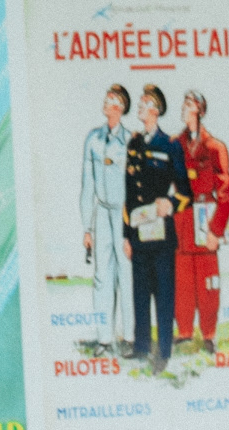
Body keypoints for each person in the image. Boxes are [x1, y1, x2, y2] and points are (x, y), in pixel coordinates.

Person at [122, 85, 190, 370]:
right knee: (139, 294)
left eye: (144, 103)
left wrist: (171, 204)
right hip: (139, 233)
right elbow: (129, 193)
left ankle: (163, 352)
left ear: (156, 110)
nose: (139, 106)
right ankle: (141, 347)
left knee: (163, 296)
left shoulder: (170, 145)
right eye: (139, 103)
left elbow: (186, 192)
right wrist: (126, 235)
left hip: (161, 235)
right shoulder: (134, 144)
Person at [174, 90, 229, 357]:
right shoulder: (174, 145)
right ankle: (184, 332)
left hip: (206, 221)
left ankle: (209, 335)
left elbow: (225, 193)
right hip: (182, 222)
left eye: (188, 104)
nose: (183, 108)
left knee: (208, 283)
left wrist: (216, 231)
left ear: (199, 110)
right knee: (182, 281)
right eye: (184, 103)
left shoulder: (215, 148)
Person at [79, 83, 132, 354]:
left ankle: (131, 337)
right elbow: (87, 185)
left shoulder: (131, 141)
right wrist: (87, 228)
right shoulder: (93, 139)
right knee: (102, 276)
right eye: (106, 96)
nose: (105, 101)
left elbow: (136, 187)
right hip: (101, 213)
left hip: (124, 214)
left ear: (120, 107)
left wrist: (133, 227)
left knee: (127, 273)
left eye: (111, 99)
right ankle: (104, 339)